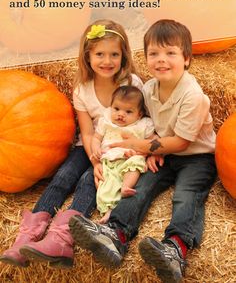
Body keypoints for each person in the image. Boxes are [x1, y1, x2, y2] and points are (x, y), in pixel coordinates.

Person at [68, 19, 217, 282]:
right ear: (145, 57)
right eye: (154, 54)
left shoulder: (193, 95)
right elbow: (154, 127)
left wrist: (138, 146)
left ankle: (176, 248)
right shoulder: (147, 90)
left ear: (187, 59)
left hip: (196, 156)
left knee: (186, 195)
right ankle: (116, 234)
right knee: (139, 186)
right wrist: (151, 151)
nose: (161, 60)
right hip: (164, 153)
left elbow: (182, 142)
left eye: (170, 53)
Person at [0, 19, 143, 268]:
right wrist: (94, 157)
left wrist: (105, 164)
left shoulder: (131, 85)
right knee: (64, 175)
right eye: (100, 54)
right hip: (89, 146)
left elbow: (142, 126)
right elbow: (87, 132)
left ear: (124, 56)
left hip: (117, 149)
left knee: (88, 181)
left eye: (114, 54)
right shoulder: (83, 89)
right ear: (87, 56)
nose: (107, 61)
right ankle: (26, 239)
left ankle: (61, 239)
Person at [91, 85, 155, 223]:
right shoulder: (106, 121)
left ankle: (126, 186)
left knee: (136, 162)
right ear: (111, 107)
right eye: (117, 109)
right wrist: (95, 149)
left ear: (139, 114)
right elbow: (96, 138)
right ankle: (108, 211)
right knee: (106, 185)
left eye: (128, 111)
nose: (121, 114)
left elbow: (154, 141)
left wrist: (154, 153)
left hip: (130, 157)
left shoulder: (143, 124)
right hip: (110, 160)